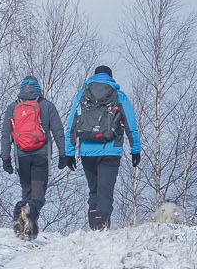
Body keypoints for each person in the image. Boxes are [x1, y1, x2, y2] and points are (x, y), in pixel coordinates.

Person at [60, 64, 142, 230]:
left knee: (94, 191)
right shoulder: (119, 96)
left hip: (87, 151)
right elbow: (131, 125)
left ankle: (94, 228)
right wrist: (135, 150)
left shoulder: (82, 95)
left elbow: (71, 124)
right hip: (111, 150)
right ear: (111, 77)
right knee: (105, 193)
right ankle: (101, 229)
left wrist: (69, 152)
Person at [0, 76, 65, 240]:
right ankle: (27, 220)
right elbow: (58, 131)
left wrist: (5, 157)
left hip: (21, 156)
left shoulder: (12, 107)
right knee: (38, 196)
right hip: (41, 156)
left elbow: (6, 134)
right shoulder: (47, 106)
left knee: (27, 192)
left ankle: (25, 227)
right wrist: (64, 154)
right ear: (38, 88)